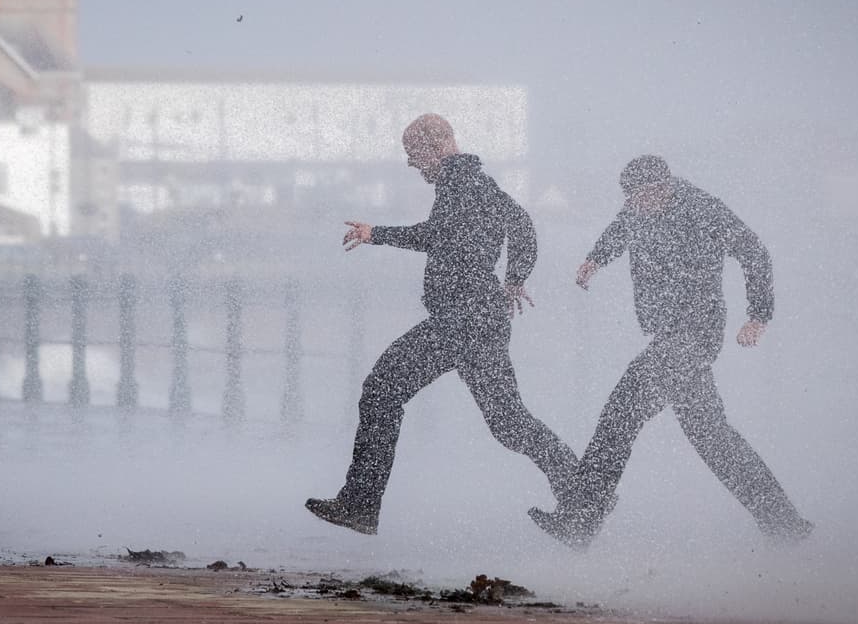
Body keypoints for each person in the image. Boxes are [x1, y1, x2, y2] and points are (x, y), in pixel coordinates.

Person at [305, 113, 577, 535]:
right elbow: (523, 227)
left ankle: (360, 505)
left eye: (413, 155)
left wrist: (376, 234)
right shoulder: (478, 182)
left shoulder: (461, 182)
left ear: (436, 147)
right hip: (481, 319)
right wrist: (514, 278)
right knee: (509, 423)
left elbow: (438, 235)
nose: (412, 165)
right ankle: (583, 494)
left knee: (381, 390)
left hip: (462, 320)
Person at [530, 155, 812, 548]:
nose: (633, 207)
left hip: (694, 334)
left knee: (621, 412)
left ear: (661, 188)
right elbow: (621, 228)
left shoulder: (701, 208)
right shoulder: (638, 208)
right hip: (669, 335)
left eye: (640, 199)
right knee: (712, 437)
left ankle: (581, 518)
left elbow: (754, 252)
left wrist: (758, 316)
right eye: (629, 200)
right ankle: (785, 526)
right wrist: (596, 259)